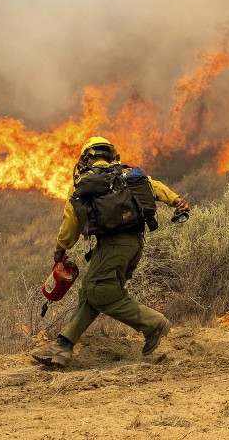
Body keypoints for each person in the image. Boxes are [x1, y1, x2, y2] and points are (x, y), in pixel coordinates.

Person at [31, 136, 190, 367]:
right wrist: (176, 200)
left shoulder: (85, 182)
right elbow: (154, 187)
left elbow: (71, 222)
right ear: (110, 155)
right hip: (135, 245)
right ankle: (63, 346)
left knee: (100, 291)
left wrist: (61, 248)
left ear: (87, 157)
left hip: (112, 246)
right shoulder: (127, 175)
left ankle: (153, 323)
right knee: (90, 291)